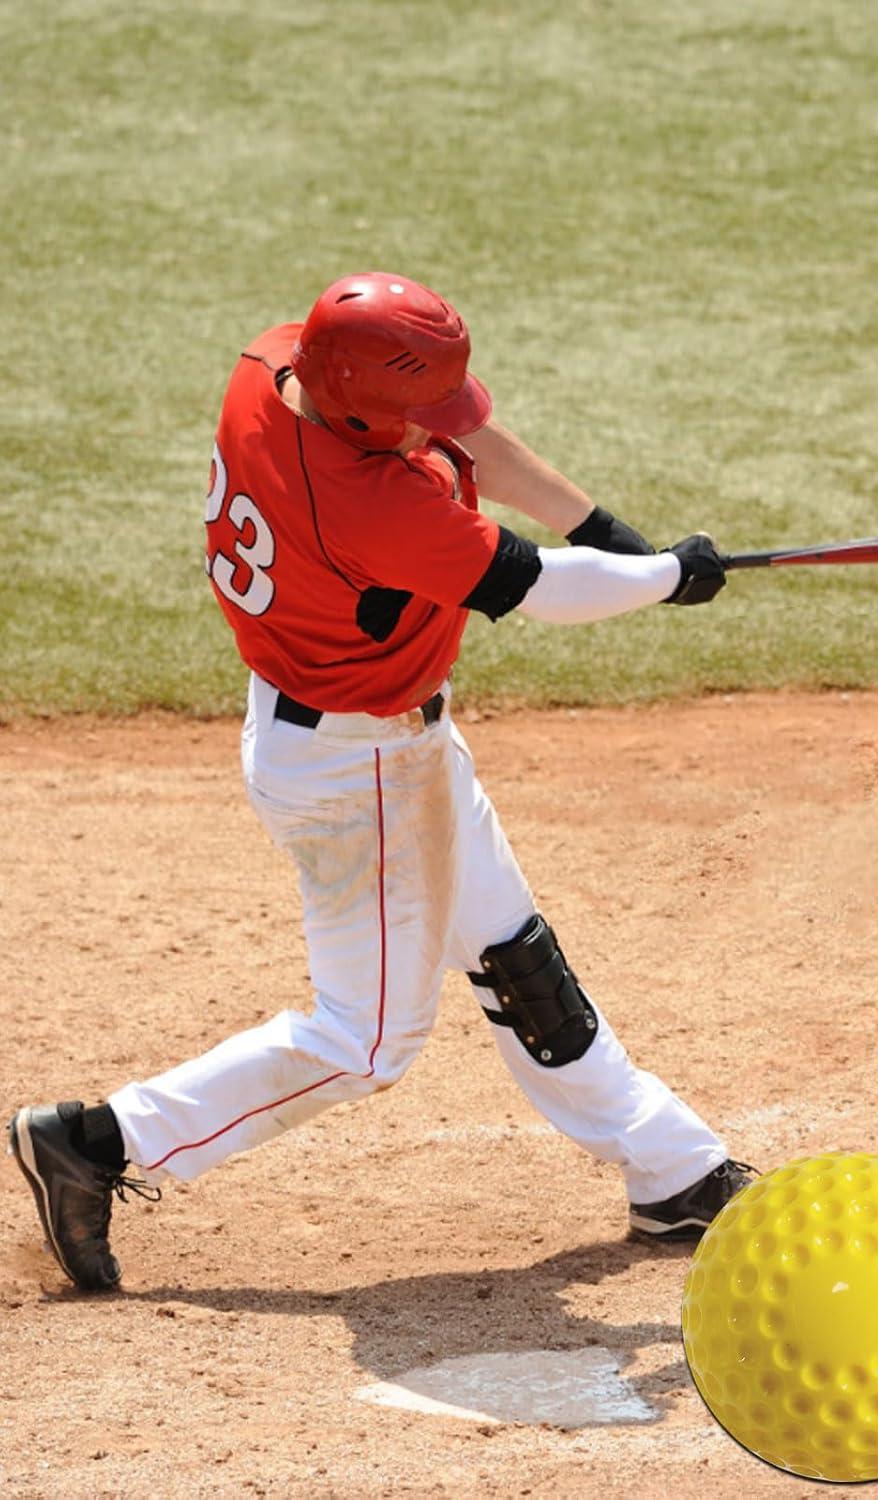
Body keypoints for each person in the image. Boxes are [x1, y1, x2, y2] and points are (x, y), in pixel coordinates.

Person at [8, 271, 752, 1292]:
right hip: (359, 774)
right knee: (365, 1042)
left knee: (513, 953)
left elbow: (473, 439)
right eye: (416, 411)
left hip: (362, 735)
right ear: (361, 407)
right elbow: (536, 589)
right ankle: (99, 1142)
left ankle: (673, 1172)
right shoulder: (366, 503)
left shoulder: (278, 362)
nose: (438, 425)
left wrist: (608, 532)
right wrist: (665, 576)